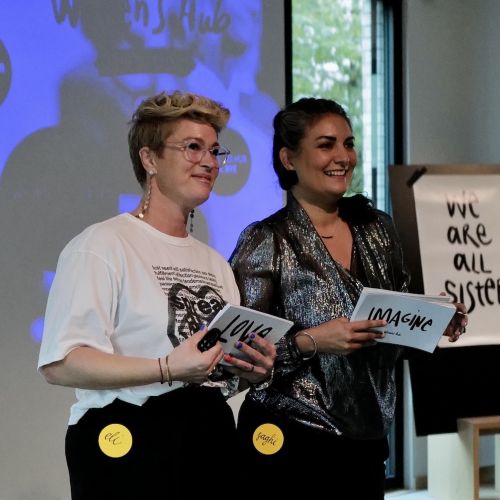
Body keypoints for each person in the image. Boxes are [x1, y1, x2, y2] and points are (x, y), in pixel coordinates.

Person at [37, 90, 276, 500]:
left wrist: (250, 370)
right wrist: (165, 368)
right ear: (149, 159)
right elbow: (61, 363)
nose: (210, 162)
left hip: (209, 438)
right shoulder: (102, 245)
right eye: (193, 147)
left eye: (215, 150)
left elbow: (210, 372)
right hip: (128, 441)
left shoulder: (215, 262)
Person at [229, 97, 468, 499]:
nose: (343, 157)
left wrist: (432, 318)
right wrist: (311, 342)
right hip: (287, 440)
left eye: (348, 143)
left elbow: (394, 327)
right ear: (289, 159)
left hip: (367, 440)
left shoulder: (378, 230)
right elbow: (238, 358)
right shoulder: (264, 240)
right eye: (326, 145)